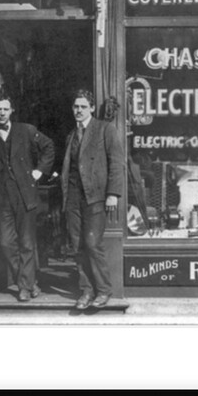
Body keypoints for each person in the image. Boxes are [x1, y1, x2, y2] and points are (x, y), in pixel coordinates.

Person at [0, 90, 55, 302]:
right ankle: (29, 281)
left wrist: (39, 171)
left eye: (5, 109)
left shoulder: (26, 130)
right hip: (0, 197)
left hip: (25, 194)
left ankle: (24, 286)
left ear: (12, 110)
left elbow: (49, 147)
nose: (2, 113)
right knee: (5, 242)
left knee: (26, 242)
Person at [61, 89, 125, 309]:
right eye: (75, 107)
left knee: (92, 243)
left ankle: (104, 290)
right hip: (73, 196)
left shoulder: (105, 129)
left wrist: (113, 194)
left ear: (90, 108)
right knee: (78, 246)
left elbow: (117, 163)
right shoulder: (71, 135)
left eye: (83, 107)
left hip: (96, 196)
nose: (78, 111)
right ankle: (86, 291)